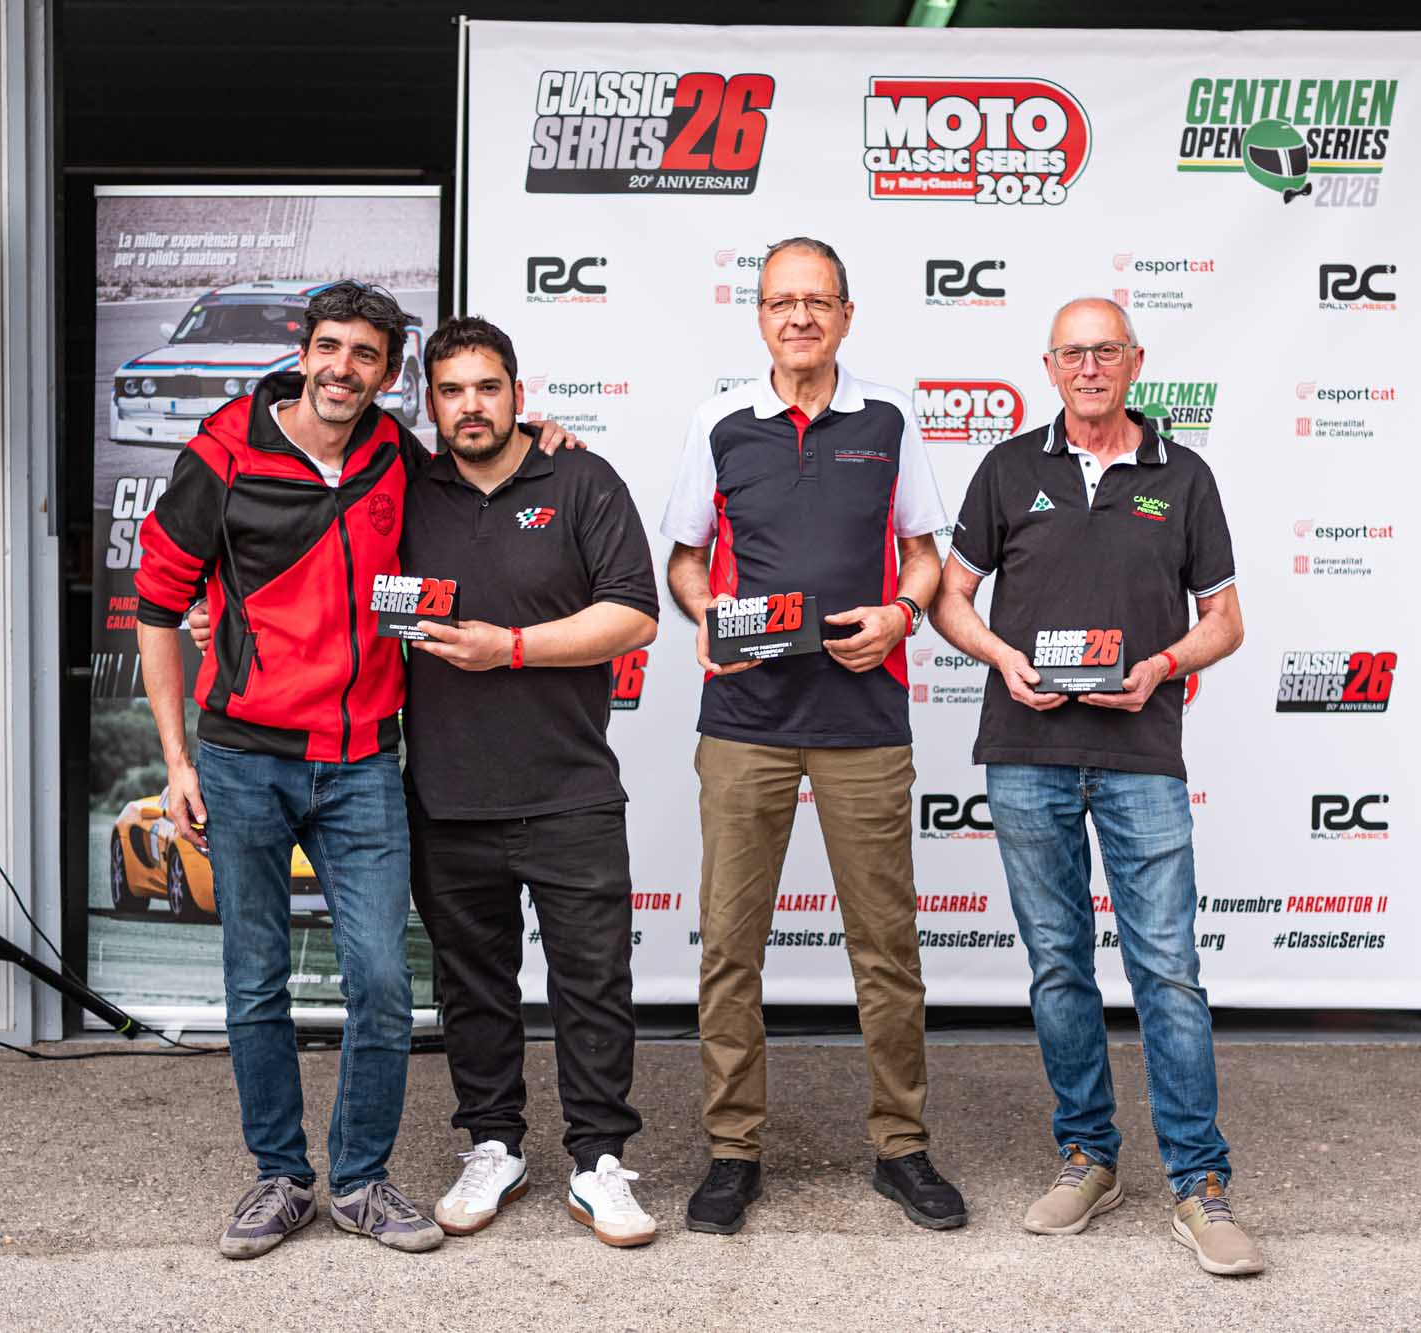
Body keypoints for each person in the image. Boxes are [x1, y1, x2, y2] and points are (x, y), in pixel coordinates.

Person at [136, 282, 574, 1260]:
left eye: (365, 355)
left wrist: (541, 439)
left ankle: (363, 1180)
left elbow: (482, 482)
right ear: (304, 351)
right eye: (329, 347)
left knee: (379, 980)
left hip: (365, 760)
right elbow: (158, 605)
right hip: (243, 758)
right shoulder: (222, 452)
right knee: (255, 980)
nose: (343, 368)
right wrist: (175, 760)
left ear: (388, 371)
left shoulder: (394, 455)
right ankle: (280, 1177)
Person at [930, 297, 1263, 1277]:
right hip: (1025, 748)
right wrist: (1001, 657)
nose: (1088, 367)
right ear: (1048, 366)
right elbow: (949, 596)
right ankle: (1088, 1156)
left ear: (1133, 361)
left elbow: (1225, 619)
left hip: (1140, 751)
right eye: (1072, 353)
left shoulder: (1183, 475)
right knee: (1057, 964)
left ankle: (1199, 1182)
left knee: (1167, 968)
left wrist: (1161, 665)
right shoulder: (1007, 469)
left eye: (1104, 351)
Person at [659, 236, 966, 1235]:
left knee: (886, 945)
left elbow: (924, 553)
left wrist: (901, 614)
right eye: (781, 301)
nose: (798, 317)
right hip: (745, 719)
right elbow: (685, 559)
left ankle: (901, 1146)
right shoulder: (718, 421)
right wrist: (705, 612)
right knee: (729, 946)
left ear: (844, 314)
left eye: (816, 301)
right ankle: (732, 1150)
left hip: (862, 719)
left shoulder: (889, 417)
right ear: (759, 315)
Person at [395, 318, 660, 1247]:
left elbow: (634, 615)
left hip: (569, 787)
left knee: (593, 985)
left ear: (518, 392)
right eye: (452, 390)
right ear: (431, 404)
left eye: (487, 386)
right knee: (473, 986)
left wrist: (508, 647)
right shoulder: (402, 492)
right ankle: (494, 1144)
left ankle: (598, 1162)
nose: (471, 405)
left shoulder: (582, 480)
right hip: (447, 794)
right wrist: (214, 619)